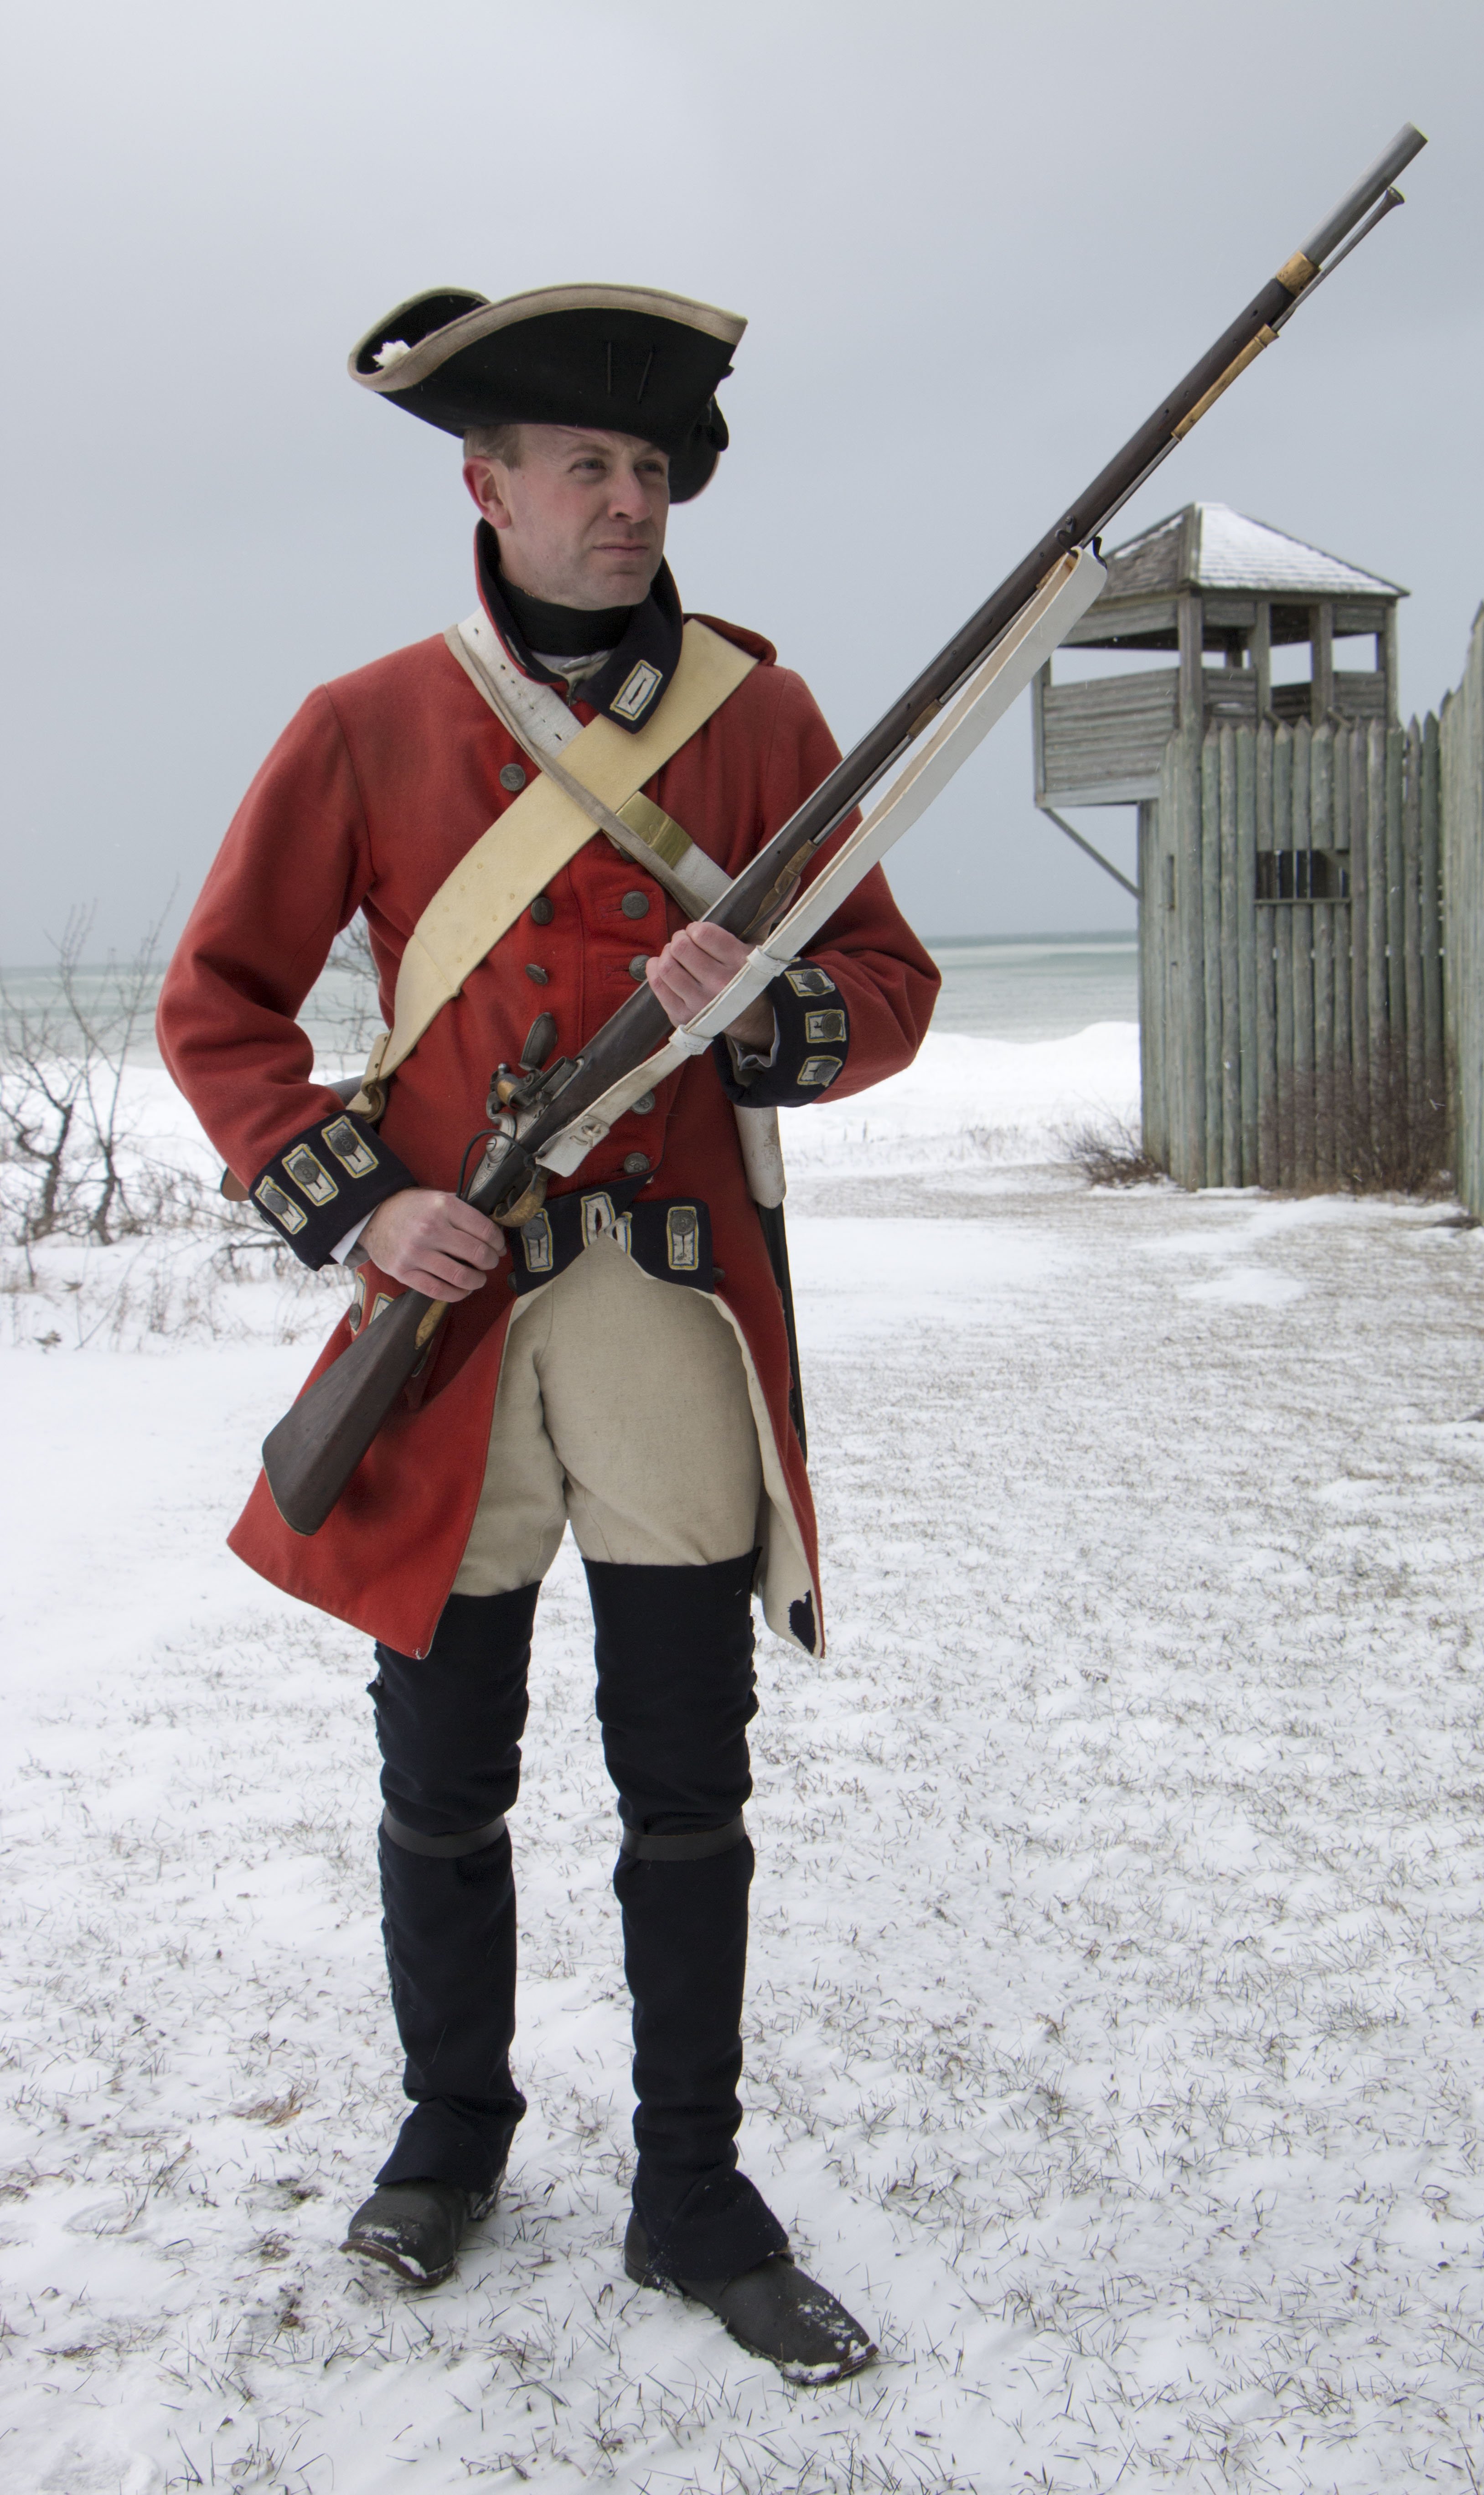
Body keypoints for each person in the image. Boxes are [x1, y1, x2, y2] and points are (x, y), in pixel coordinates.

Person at [156, 281, 938, 2381]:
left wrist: (761, 1017)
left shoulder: (759, 720)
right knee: (444, 1778)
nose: (627, 500)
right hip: (461, 1315)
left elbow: (887, 982)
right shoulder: (365, 722)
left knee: (686, 1779)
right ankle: (453, 2133)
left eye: (652, 467)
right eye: (585, 466)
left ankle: (694, 2186)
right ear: (487, 488)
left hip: (664, 1309)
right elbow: (218, 1005)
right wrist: (361, 1199)